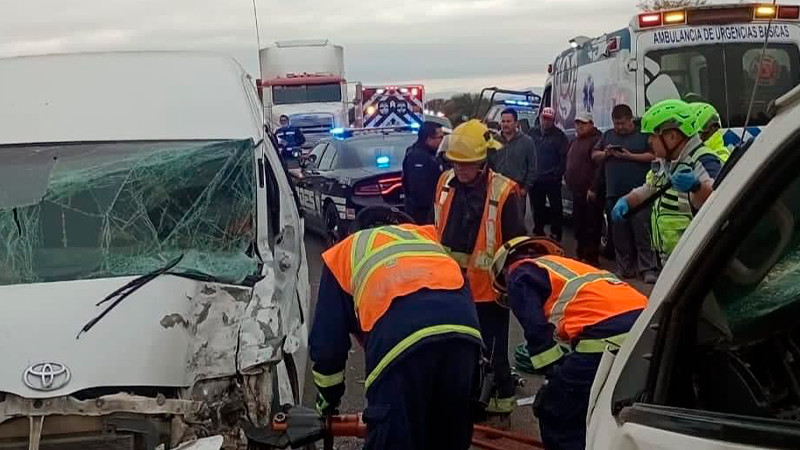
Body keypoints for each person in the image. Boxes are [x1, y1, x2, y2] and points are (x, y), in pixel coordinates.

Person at [310, 206, 482, 450]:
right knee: (449, 438)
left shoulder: (345, 252)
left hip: (400, 346)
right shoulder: (424, 238)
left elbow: (327, 346)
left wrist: (327, 403)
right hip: (464, 339)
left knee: (394, 438)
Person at [489, 236, 646, 450]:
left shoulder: (519, 272)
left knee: (556, 410)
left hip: (605, 339)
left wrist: (553, 374)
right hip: (645, 330)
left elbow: (536, 331)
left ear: (504, 271)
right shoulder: (570, 268)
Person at [433, 119, 528, 424]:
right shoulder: (445, 183)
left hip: (488, 288)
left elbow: (516, 243)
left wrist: (513, 282)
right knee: (457, 346)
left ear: (483, 160)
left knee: (492, 348)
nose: (461, 170)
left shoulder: (504, 190)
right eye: (456, 163)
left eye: (468, 164)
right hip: (449, 284)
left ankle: (502, 399)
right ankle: (470, 395)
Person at [612, 99, 722, 259]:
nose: (649, 141)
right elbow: (650, 188)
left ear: (672, 136)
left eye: (653, 136)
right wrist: (627, 201)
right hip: (672, 261)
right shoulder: (668, 161)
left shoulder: (703, 159)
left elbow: (719, 198)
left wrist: (697, 187)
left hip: (699, 261)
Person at [592, 104, 659, 283]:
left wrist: (630, 156)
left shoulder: (643, 136)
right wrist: (606, 153)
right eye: (616, 123)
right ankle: (625, 268)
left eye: (622, 123)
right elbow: (594, 155)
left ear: (631, 120)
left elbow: (655, 156)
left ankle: (647, 268)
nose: (619, 127)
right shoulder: (607, 135)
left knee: (642, 233)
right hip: (614, 194)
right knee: (620, 235)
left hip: (640, 194)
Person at [565, 112, 603, 264]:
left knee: (591, 226)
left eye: (583, 123)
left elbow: (600, 168)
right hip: (576, 190)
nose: (579, 126)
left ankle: (592, 259)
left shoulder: (597, 140)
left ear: (591, 124)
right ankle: (580, 254)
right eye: (577, 123)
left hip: (590, 192)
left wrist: (594, 188)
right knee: (578, 225)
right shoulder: (575, 140)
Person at [529, 107, 569, 241]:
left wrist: (557, 174)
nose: (546, 122)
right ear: (540, 118)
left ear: (553, 120)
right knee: (537, 206)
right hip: (536, 179)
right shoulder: (532, 133)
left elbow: (564, 157)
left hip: (552, 179)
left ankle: (556, 234)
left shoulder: (560, 136)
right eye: (544, 118)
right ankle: (538, 231)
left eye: (549, 119)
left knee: (556, 208)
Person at [402, 121, 445, 224]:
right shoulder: (418, 158)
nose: (442, 141)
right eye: (440, 137)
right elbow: (420, 193)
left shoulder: (432, 155)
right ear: (429, 139)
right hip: (422, 216)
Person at [488, 108, 537, 194]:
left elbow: (532, 167)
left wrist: (525, 188)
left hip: (517, 190)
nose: (505, 124)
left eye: (508, 121)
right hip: (496, 189)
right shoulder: (493, 141)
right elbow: (488, 164)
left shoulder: (527, 142)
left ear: (516, 123)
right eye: (503, 121)